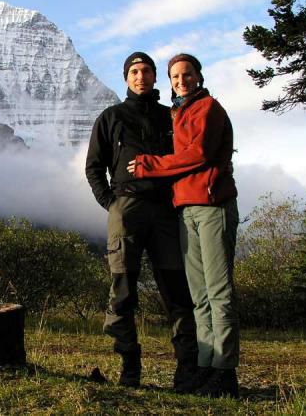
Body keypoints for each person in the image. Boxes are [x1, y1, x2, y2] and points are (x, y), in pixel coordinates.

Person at [127, 53, 240, 398]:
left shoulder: (209, 109)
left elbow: (197, 155)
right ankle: (206, 365)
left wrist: (150, 165)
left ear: (198, 76)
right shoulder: (180, 113)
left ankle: (225, 372)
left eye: (186, 74)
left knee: (218, 292)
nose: (181, 81)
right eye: (175, 76)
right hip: (186, 208)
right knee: (199, 296)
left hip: (213, 206)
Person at [85, 52, 198, 388]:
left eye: (147, 71)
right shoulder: (110, 117)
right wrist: (112, 204)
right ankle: (129, 366)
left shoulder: (170, 117)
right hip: (127, 210)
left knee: (177, 292)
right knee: (122, 293)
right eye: (134, 71)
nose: (141, 76)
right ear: (126, 78)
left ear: (154, 77)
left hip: (165, 212)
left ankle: (187, 370)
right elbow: (94, 167)